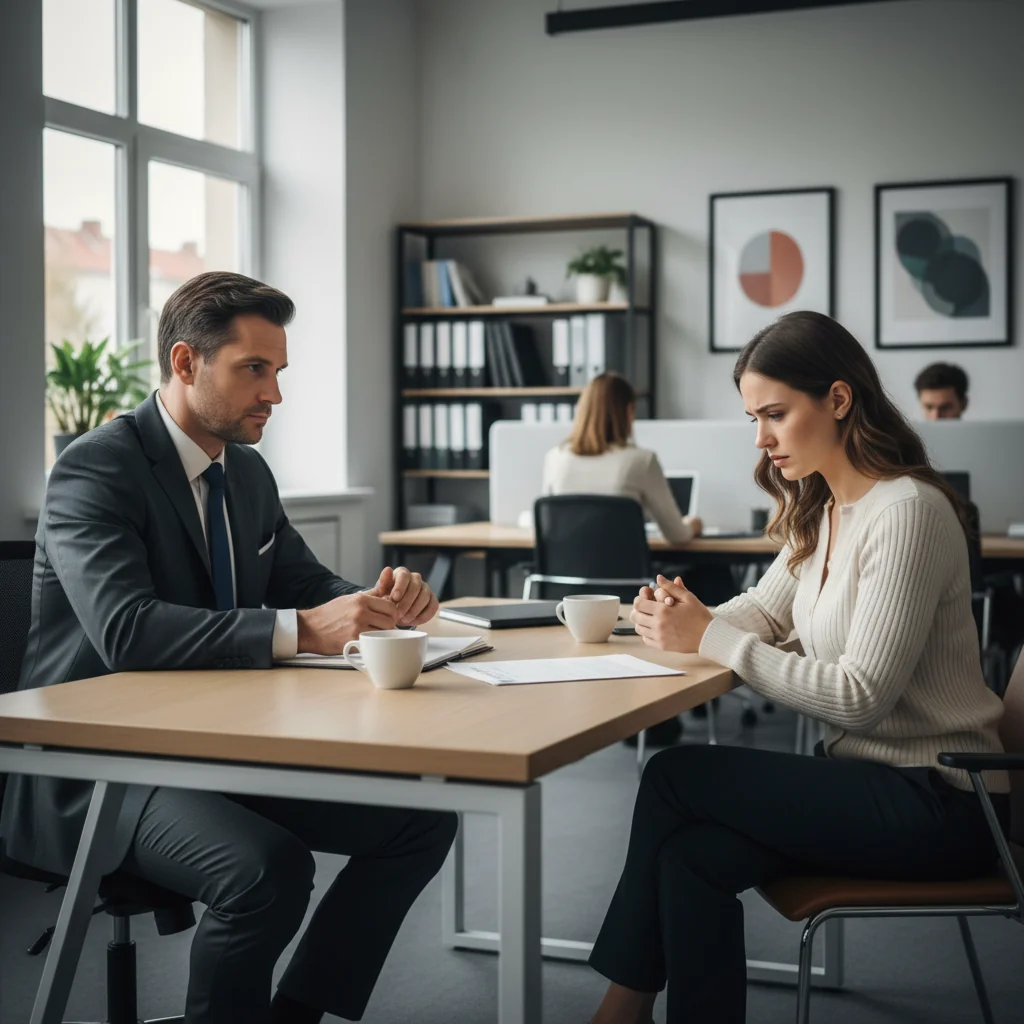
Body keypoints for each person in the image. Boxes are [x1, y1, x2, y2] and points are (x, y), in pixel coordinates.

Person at [0, 272, 456, 1024]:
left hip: (213, 744)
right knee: (266, 869)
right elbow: (127, 629)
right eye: (255, 369)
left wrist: (382, 603)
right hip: (99, 764)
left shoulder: (244, 472)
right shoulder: (95, 468)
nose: (274, 394)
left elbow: (304, 581)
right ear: (185, 364)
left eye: (278, 372)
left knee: (418, 817)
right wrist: (307, 630)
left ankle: (294, 1013)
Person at [586, 311, 1009, 1024]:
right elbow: (761, 610)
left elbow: (860, 698)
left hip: (943, 801)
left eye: (775, 414)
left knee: (673, 773)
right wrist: (665, 621)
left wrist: (714, 640)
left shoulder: (908, 512)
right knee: (692, 857)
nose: (761, 438)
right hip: (871, 782)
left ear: (838, 400)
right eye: (754, 417)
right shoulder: (825, 508)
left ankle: (619, 1009)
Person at [542, 371, 702, 544]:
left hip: (563, 570)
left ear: (581, 410)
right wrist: (692, 524)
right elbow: (678, 536)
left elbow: (546, 528)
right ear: (628, 412)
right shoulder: (641, 461)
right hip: (624, 570)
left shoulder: (555, 458)